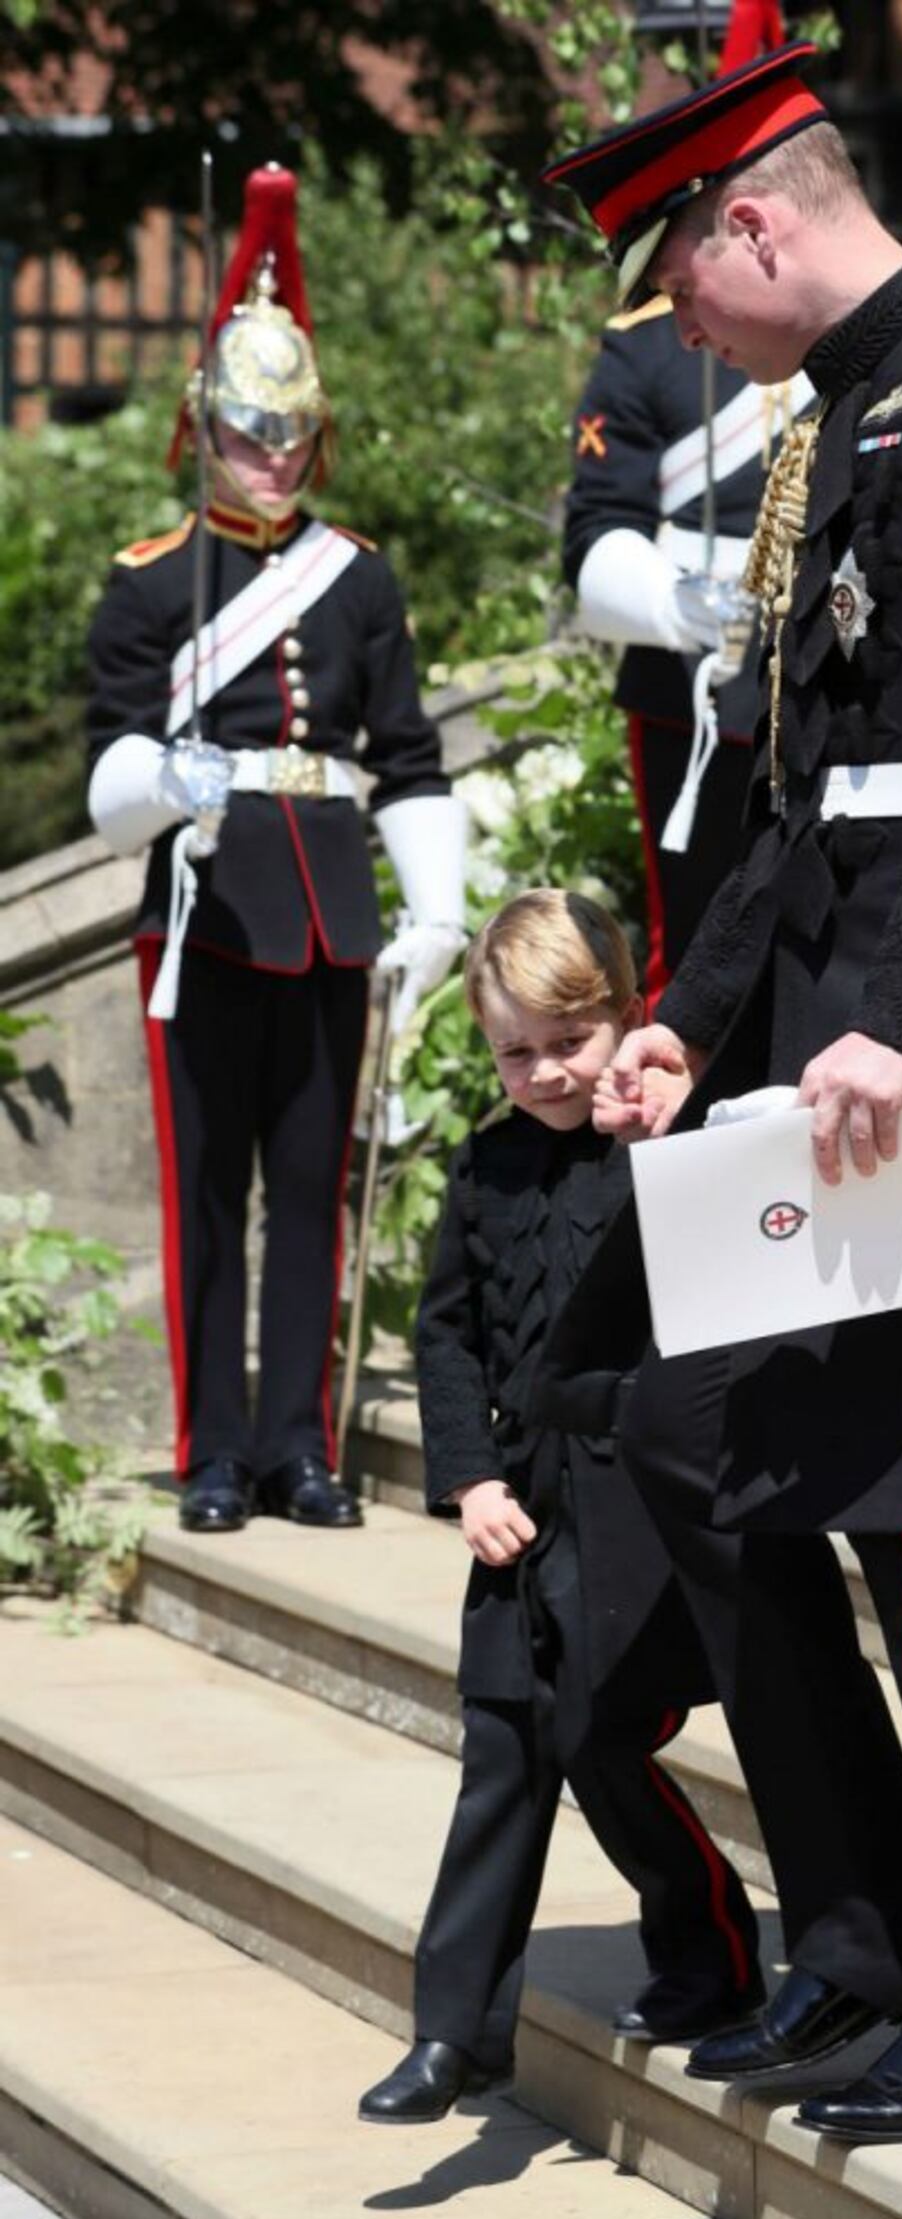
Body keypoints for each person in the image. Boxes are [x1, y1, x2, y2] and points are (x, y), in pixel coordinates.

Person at [539, 43, 902, 2142]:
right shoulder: (839, 429)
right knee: (702, 1440)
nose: (674, 323)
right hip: (824, 1075)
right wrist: (696, 1017)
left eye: (680, 273)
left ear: (758, 223)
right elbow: (800, 814)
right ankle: (863, 1934)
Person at [87, 165, 467, 1534]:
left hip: (326, 910)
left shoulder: (358, 577)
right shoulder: (148, 577)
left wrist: (437, 907)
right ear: (207, 429)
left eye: (292, 433)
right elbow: (109, 764)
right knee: (208, 1198)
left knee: (313, 1192)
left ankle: (301, 1445)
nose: (272, 455)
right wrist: (162, 785)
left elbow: (407, 753)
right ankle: (212, 1449)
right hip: (201, 910)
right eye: (249, 431)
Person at [356, 891, 762, 2126]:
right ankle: (451, 2033)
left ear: (623, 1017)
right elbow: (446, 1337)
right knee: (499, 1754)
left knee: (596, 1734)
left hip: (640, 1508)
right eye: (512, 1050)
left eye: (565, 1042)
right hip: (518, 1513)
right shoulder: (483, 1168)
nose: (540, 1073)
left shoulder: (663, 1147)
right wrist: (468, 1477)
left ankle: (711, 1948)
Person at [563, 296, 812, 1008]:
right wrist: (671, 602)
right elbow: (599, 521)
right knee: (700, 944)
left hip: (840, 655)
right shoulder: (648, 345)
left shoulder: (843, 311)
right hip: (698, 680)